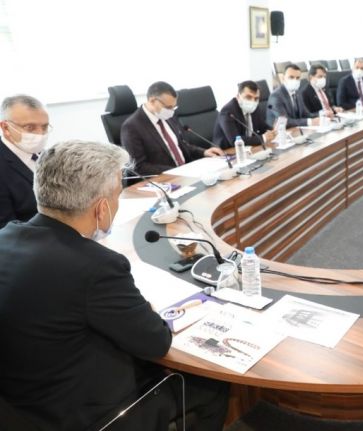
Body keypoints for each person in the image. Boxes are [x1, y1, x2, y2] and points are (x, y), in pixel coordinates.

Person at [0, 140, 230, 431]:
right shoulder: (95, 266)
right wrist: (145, 309)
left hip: (21, 404)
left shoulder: (6, 238)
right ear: (102, 207)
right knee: (212, 387)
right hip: (89, 415)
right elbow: (156, 341)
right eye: (118, 195)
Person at [121, 81, 224, 176]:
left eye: (174, 107)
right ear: (152, 101)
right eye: (168, 107)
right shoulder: (131, 127)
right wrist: (176, 171)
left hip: (188, 172)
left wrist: (204, 152)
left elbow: (181, 145)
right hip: (165, 179)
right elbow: (139, 166)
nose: (171, 111)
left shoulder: (168, 116)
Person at [0, 95, 49, 229]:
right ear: (5, 128)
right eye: (30, 127)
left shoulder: (48, 155)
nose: (40, 134)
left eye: (44, 127)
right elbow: (5, 230)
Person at [213, 80, 274, 149]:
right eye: (248, 97)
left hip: (249, 148)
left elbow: (262, 127)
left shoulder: (254, 107)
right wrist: (263, 138)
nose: (252, 101)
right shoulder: (228, 111)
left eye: (256, 98)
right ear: (238, 96)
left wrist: (273, 131)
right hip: (226, 151)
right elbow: (234, 140)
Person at [267, 63, 320, 128]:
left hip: (296, 129)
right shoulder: (276, 96)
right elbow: (285, 122)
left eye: (297, 78)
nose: (295, 80)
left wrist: (321, 114)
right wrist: (309, 122)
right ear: (283, 78)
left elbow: (306, 114)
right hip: (278, 132)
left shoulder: (297, 92)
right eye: (291, 77)